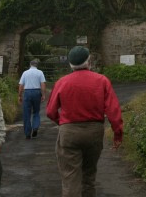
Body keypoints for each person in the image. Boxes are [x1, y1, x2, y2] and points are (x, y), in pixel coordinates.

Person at [46, 46, 123, 197]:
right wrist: (118, 134)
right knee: (88, 176)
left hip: (69, 132)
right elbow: (113, 111)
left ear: (70, 64)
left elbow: (50, 111)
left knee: (70, 178)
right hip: (94, 131)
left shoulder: (62, 82)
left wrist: (62, 122)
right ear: (89, 61)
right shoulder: (102, 81)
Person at [18, 58, 46, 139]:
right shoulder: (40, 72)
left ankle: (27, 133)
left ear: (30, 65)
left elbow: (21, 85)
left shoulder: (25, 73)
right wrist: (43, 94)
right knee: (36, 112)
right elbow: (43, 84)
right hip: (37, 92)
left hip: (27, 92)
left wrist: (19, 95)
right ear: (37, 65)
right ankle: (35, 127)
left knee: (26, 113)